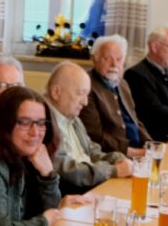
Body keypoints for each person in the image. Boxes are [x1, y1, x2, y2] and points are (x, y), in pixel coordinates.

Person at [0, 86, 90, 226]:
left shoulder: (23, 154)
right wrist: (43, 223)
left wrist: (47, 175)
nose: (35, 132)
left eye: (41, 123)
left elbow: (51, 210)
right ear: (3, 123)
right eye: (24, 123)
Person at [44, 61, 133, 189]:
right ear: (56, 92)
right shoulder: (43, 122)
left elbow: (92, 151)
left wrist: (117, 159)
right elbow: (66, 171)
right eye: (80, 93)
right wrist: (113, 171)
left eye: (87, 95)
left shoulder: (72, 117)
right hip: (73, 193)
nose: (85, 102)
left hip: (92, 185)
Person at [79, 34, 152, 156]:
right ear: (94, 59)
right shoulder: (86, 86)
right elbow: (95, 136)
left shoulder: (122, 83)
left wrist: (150, 144)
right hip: (114, 156)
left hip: (138, 152)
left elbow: (135, 121)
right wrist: (135, 152)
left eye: (119, 59)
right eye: (107, 59)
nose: (114, 65)